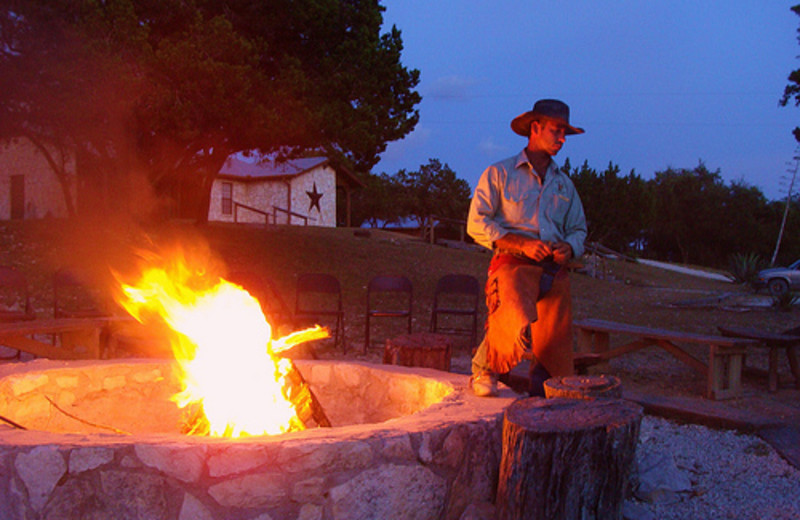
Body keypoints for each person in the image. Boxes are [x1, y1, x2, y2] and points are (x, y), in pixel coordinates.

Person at [466, 99, 587, 397]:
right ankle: (486, 367)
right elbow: (476, 222)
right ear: (535, 128)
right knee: (514, 306)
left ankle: (543, 388)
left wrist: (569, 248)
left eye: (564, 133)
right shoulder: (499, 174)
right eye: (556, 130)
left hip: (552, 266)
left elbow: (578, 229)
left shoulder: (565, 186)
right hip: (513, 261)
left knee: (556, 338)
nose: (561, 139)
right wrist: (518, 242)